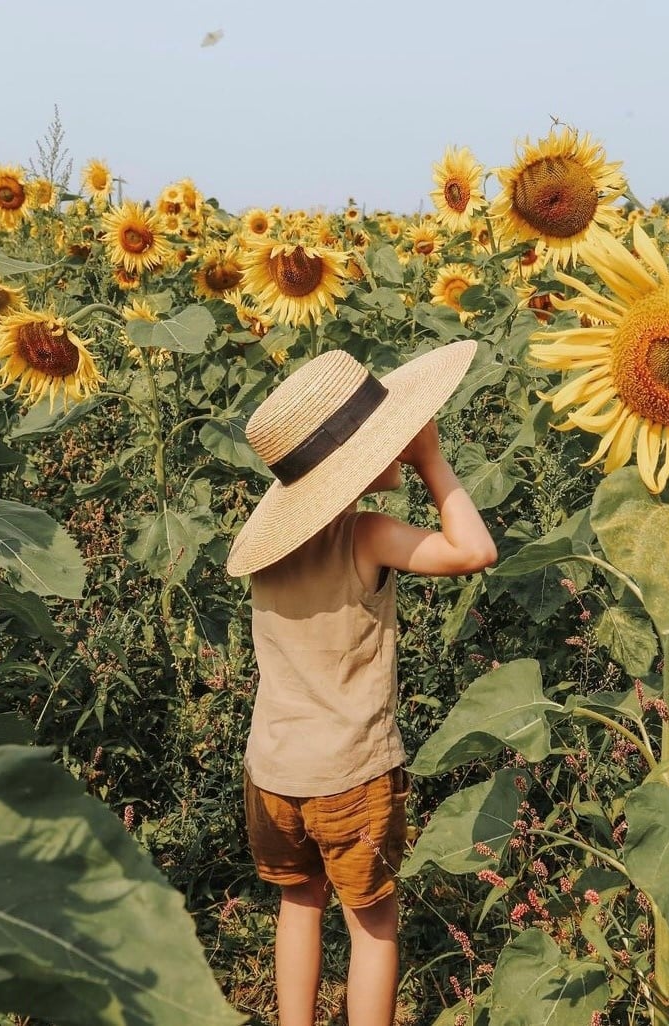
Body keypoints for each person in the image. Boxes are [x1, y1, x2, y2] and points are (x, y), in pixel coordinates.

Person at [226, 338, 497, 1026]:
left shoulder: (271, 553)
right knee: (372, 925)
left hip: (273, 771)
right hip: (351, 773)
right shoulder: (366, 534)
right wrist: (432, 459)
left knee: (298, 903)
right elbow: (474, 550)